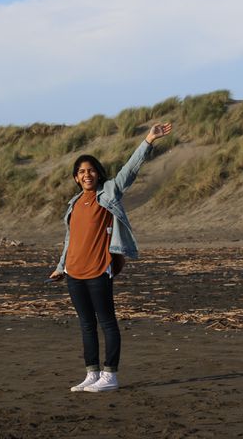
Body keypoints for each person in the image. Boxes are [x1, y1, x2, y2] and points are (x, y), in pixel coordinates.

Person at [48, 122, 172, 393]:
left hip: (99, 270)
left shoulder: (109, 193)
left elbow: (130, 170)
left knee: (106, 321)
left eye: (91, 170)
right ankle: (92, 374)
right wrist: (61, 267)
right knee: (86, 324)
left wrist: (149, 140)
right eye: (81, 172)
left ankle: (110, 374)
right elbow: (71, 239)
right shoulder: (74, 203)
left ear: (98, 173)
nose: (87, 175)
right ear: (76, 178)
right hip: (74, 272)